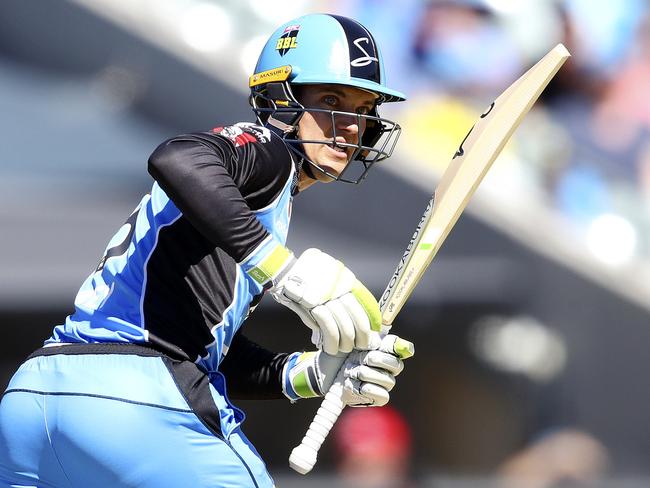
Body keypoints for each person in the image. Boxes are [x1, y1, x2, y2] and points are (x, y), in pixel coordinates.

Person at [0, 13, 414, 488]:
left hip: (35, 397)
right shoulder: (268, 152)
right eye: (331, 100)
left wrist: (313, 372)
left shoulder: (254, 202)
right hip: (140, 400)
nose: (349, 126)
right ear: (281, 97)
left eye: (362, 108)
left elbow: (200, 342)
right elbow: (176, 157)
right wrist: (282, 270)